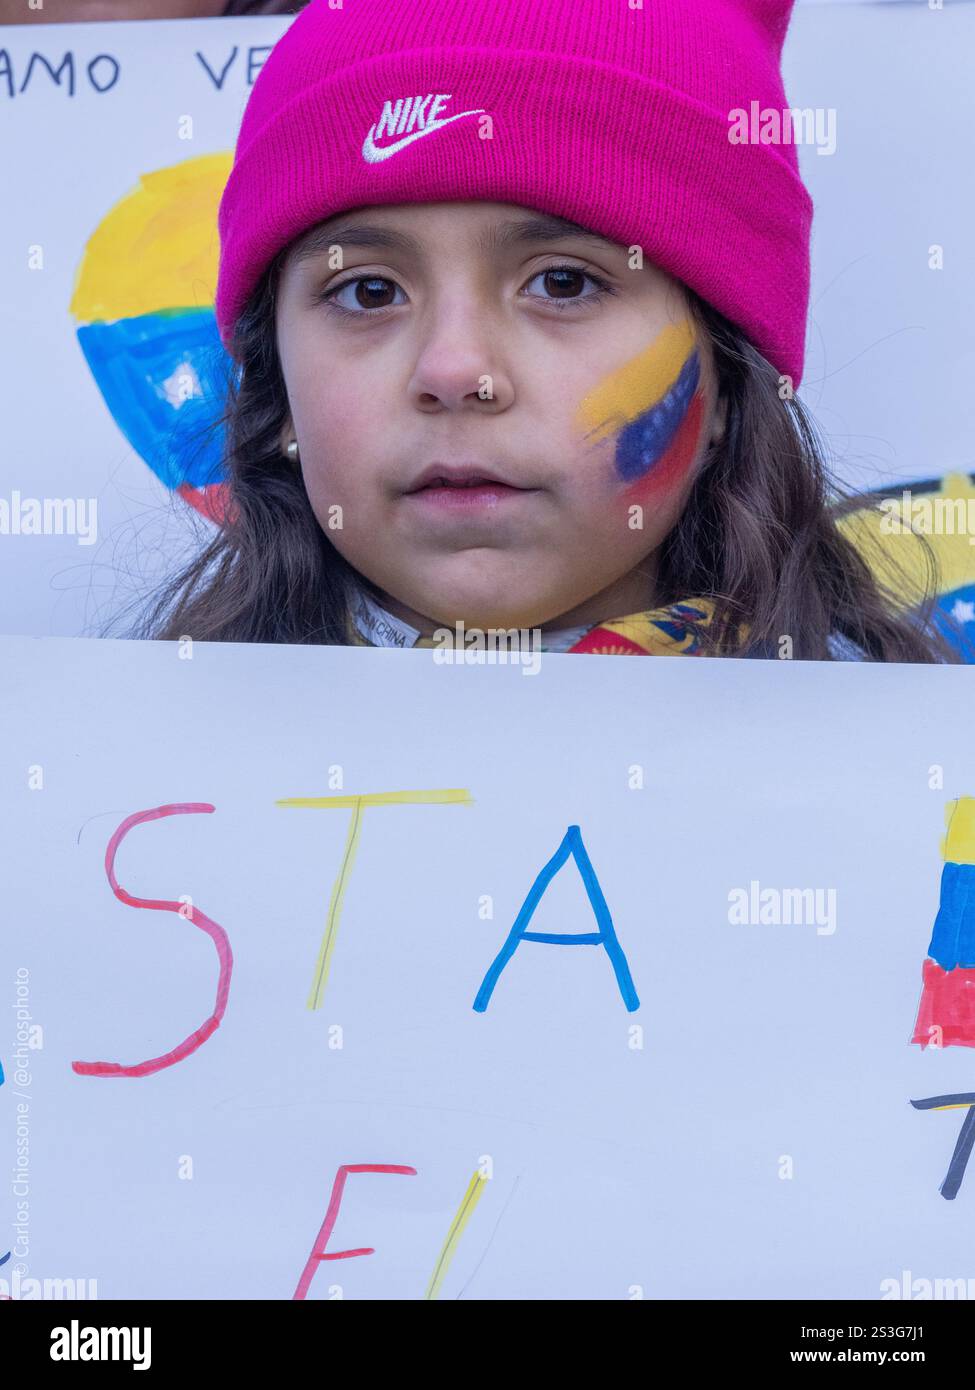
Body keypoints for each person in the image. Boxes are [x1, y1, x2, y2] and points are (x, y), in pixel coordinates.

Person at [135, 0, 958, 661]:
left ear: (726, 379)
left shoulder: (907, 791)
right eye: (369, 291)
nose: (456, 370)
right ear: (273, 395)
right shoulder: (123, 772)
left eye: (562, 284)